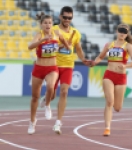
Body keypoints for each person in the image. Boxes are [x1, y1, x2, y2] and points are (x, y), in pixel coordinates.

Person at [40, 6, 90, 134]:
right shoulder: (54, 29)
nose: (67, 20)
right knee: (52, 95)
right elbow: (48, 45)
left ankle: (58, 123)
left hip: (68, 66)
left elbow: (78, 49)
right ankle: (46, 99)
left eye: (70, 17)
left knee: (64, 92)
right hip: (54, 65)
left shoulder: (75, 33)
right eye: (65, 17)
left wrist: (84, 59)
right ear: (60, 17)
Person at [91, 23, 132, 136]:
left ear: (127, 34)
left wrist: (125, 66)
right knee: (109, 101)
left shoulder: (128, 46)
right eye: (120, 30)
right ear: (117, 31)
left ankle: (116, 105)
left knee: (117, 107)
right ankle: (107, 128)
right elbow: (100, 57)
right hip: (109, 75)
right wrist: (94, 62)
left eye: (125, 31)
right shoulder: (109, 44)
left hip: (121, 77)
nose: (122, 33)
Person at [27, 12, 70, 134]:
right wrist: (42, 40)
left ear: (52, 24)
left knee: (51, 86)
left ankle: (47, 105)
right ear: (41, 25)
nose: (48, 25)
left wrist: (66, 46)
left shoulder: (56, 33)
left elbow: (64, 43)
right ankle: (32, 121)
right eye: (45, 23)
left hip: (52, 67)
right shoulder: (39, 35)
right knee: (35, 97)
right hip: (39, 68)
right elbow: (30, 46)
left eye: (50, 23)